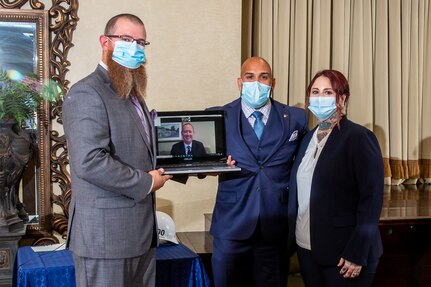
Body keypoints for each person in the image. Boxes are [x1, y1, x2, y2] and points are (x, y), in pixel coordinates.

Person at [62, 14, 171, 287]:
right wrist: (147, 182)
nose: (135, 48)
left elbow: (144, 152)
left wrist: (198, 162)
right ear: (105, 42)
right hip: (105, 239)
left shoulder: (131, 94)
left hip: (141, 236)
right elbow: (90, 161)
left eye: (141, 42)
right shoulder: (87, 92)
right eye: (126, 39)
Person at [209, 56, 308, 287]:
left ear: (273, 82)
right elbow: (203, 161)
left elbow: (305, 162)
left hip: (274, 226)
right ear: (239, 82)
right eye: (250, 77)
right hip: (231, 225)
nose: (257, 83)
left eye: (263, 77)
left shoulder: (295, 118)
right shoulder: (218, 116)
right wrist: (214, 167)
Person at [287, 70, 384, 287]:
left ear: (342, 98)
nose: (320, 97)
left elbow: (371, 199)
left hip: (345, 254)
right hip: (307, 249)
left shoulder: (358, 138)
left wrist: (357, 253)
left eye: (328, 92)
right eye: (315, 91)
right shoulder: (307, 139)